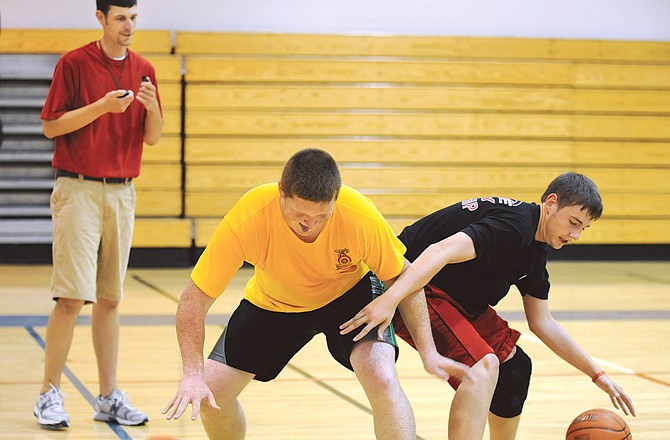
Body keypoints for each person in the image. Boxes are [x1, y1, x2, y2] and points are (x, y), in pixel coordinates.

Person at [162, 148, 472, 439]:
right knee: (211, 395)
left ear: (336, 198)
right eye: (300, 215)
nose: (309, 225)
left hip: (350, 297)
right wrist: (192, 373)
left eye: (321, 216)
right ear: (281, 191)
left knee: (383, 378)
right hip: (274, 303)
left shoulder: (359, 214)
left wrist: (428, 351)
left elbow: (404, 278)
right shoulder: (249, 216)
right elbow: (194, 299)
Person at [341, 172, 636, 440]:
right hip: (413, 285)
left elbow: (542, 322)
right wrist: (389, 300)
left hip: (453, 299)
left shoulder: (535, 249)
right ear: (551, 203)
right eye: (573, 223)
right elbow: (439, 250)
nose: (575, 235)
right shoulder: (515, 224)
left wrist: (597, 375)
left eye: (583, 229)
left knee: (514, 367)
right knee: (482, 366)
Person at [34, 0, 163, 429]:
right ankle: (48, 393)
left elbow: (154, 138)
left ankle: (108, 397)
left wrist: (153, 108)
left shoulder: (144, 67)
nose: (129, 26)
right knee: (71, 297)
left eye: (133, 18)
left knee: (110, 299)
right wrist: (102, 108)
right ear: (101, 19)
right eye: (121, 18)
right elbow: (51, 126)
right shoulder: (74, 64)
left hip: (123, 193)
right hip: (79, 189)